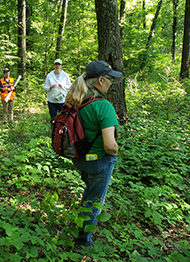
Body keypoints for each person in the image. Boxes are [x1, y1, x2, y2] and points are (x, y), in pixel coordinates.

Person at [65, 60, 121, 247]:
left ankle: (81, 227)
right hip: (99, 162)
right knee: (95, 202)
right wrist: (116, 151)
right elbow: (110, 146)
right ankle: (83, 241)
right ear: (100, 80)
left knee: (90, 192)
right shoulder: (104, 106)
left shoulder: (75, 99)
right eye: (110, 79)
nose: (111, 83)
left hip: (79, 159)